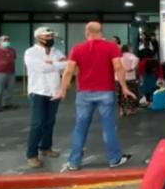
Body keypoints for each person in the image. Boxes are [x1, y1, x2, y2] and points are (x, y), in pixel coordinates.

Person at [55, 22, 134, 171]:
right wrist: (124, 87)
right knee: (108, 127)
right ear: (101, 32)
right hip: (106, 92)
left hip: (84, 94)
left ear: (87, 32)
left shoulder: (77, 49)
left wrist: (62, 90)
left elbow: (68, 71)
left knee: (80, 128)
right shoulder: (111, 47)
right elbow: (118, 67)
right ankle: (114, 159)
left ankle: (74, 162)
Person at [23, 27, 67, 168]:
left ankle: (46, 148)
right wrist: (56, 65)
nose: (50, 39)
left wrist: (52, 64)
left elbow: (67, 65)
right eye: (47, 36)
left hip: (54, 91)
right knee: (37, 123)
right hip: (38, 92)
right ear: (38, 38)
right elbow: (42, 68)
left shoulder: (56, 51)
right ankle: (32, 155)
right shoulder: (31, 52)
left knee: (50, 121)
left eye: (51, 36)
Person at [119, 45, 140, 116]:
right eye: (131, 48)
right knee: (131, 93)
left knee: (120, 94)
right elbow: (136, 59)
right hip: (130, 78)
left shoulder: (119, 56)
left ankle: (122, 110)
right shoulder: (131, 55)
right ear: (128, 49)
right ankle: (130, 109)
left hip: (119, 78)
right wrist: (132, 68)